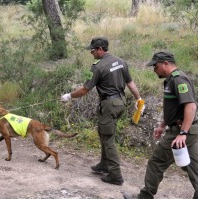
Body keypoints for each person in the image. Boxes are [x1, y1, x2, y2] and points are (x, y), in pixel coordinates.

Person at [124, 51, 198, 199]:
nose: (154, 70)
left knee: (156, 162)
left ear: (165, 63)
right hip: (186, 129)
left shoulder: (178, 80)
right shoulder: (171, 80)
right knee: (195, 169)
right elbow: (175, 108)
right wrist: (162, 125)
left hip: (181, 131)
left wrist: (182, 134)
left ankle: (144, 197)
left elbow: (190, 107)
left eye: (156, 66)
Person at [61, 37, 144, 186]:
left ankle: (116, 176)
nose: (91, 53)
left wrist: (69, 96)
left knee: (108, 139)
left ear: (100, 49)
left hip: (109, 104)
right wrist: (138, 99)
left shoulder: (98, 67)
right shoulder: (120, 61)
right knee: (103, 132)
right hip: (120, 102)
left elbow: (85, 89)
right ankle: (104, 165)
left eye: (92, 50)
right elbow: (130, 83)